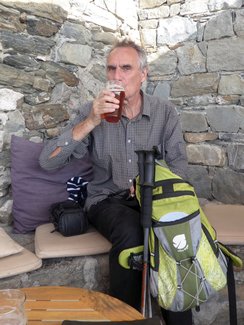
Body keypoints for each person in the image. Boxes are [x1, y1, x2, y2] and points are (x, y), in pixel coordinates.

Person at [39, 39, 192, 325]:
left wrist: (152, 183)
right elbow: (48, 161)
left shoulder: (165, 112)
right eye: (111, 69)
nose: (116, 76)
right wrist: (91, 121)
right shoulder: (91, 110)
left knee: (173, 236)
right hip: (107, 200)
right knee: (132, 233)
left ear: (143, 74)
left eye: (125, 68)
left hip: (154, 198)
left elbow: (180, 167)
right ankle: (127, 320)